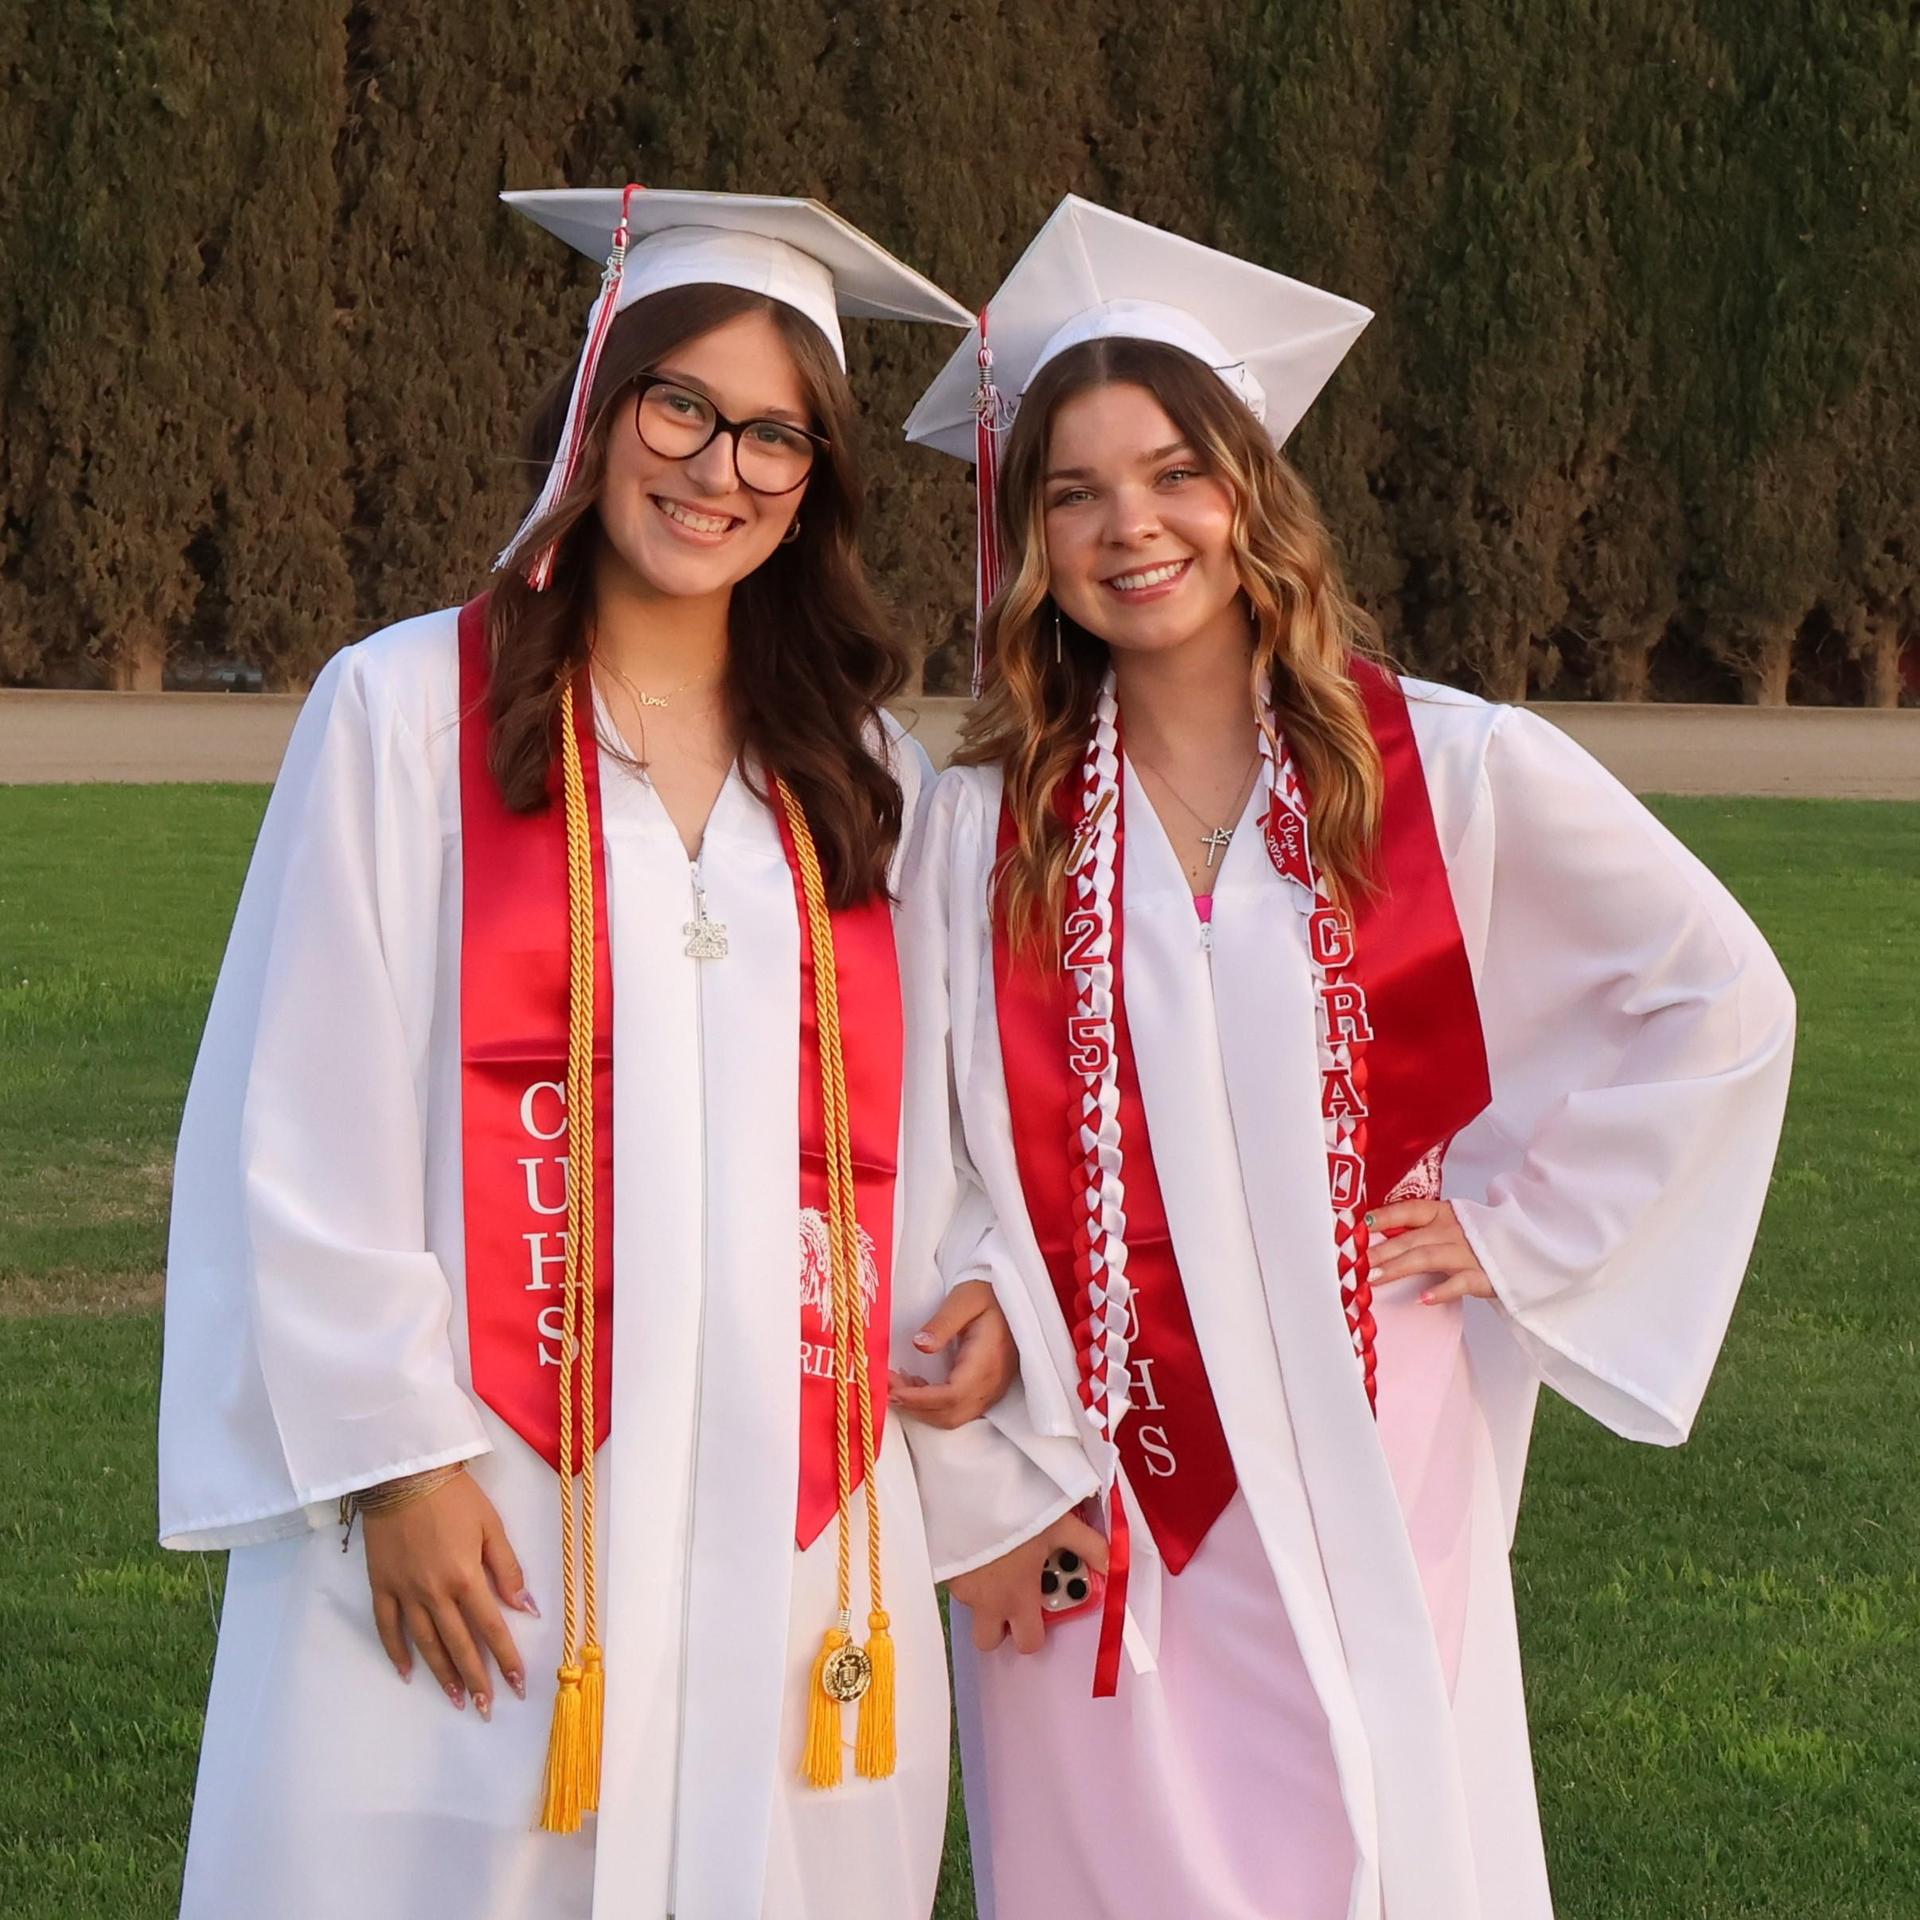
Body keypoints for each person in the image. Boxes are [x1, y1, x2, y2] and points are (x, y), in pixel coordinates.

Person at [158, 186, 1079, 1920]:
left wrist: (984, 1315)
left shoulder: (864, 775)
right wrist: (391, 1463)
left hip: (792, 1519)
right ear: (596, 409)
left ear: (815, 482)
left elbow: (950, 1141)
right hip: (492, 1497)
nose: (717, 469)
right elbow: (298, 1114)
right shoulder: (405, 716)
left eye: (774, 436)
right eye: (680, 406)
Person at [901, 195, 1797, 1920]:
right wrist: (987, 1426)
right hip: (1103, 1442)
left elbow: (1723, 998)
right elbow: (927, 1144)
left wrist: (1524, 1228)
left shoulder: (1442, 773)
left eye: (1173, 471)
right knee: (1115, 1857)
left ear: (1251, 491)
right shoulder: (977, 835)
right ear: (1028, 545)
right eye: (1072, 493)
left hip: (1369, 1422)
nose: (1129, 527)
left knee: (1374, 1831)